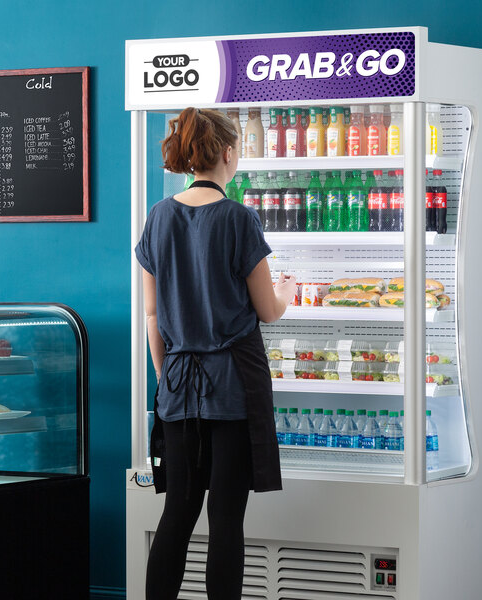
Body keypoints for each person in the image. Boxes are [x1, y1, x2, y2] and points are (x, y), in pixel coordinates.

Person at [135, 107, 297, 600]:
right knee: (226, 517)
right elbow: (267, 311)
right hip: (233, 387)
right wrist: (288, 289)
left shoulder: (159, 216)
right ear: (228, 153)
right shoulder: (238, 218)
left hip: (179, 385)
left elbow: (152, 317)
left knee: (177, 515)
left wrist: (169, 382)